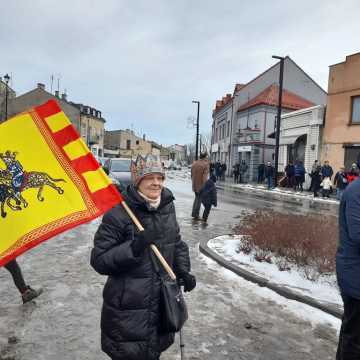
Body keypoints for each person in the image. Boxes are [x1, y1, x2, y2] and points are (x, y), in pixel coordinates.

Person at [90, 154, 196, 360]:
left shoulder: (167, 206)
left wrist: (183, 269)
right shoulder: (119, 213)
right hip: (128, 312)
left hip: (160, 305)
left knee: (153, 352)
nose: (156, 183)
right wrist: (135, 248)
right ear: (138, 180)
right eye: (150, 178)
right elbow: (99, 260)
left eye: (160, 178)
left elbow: (176, 243)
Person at [336, 158, 360, 359]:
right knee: (354, 339)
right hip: (355, 275)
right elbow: (357, 233)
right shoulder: (356, 192)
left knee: (351, 332)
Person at [191, 152, 209, 220]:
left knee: (196, 198)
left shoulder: (195, 163)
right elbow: (205, 176)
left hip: (195, 184)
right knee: (199, 200)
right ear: (205, 157)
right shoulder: (205, 164)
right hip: (201, 185)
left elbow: (192, 174)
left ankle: (194, 213)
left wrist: (193, 182)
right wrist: (205, 185)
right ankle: (196, 214)